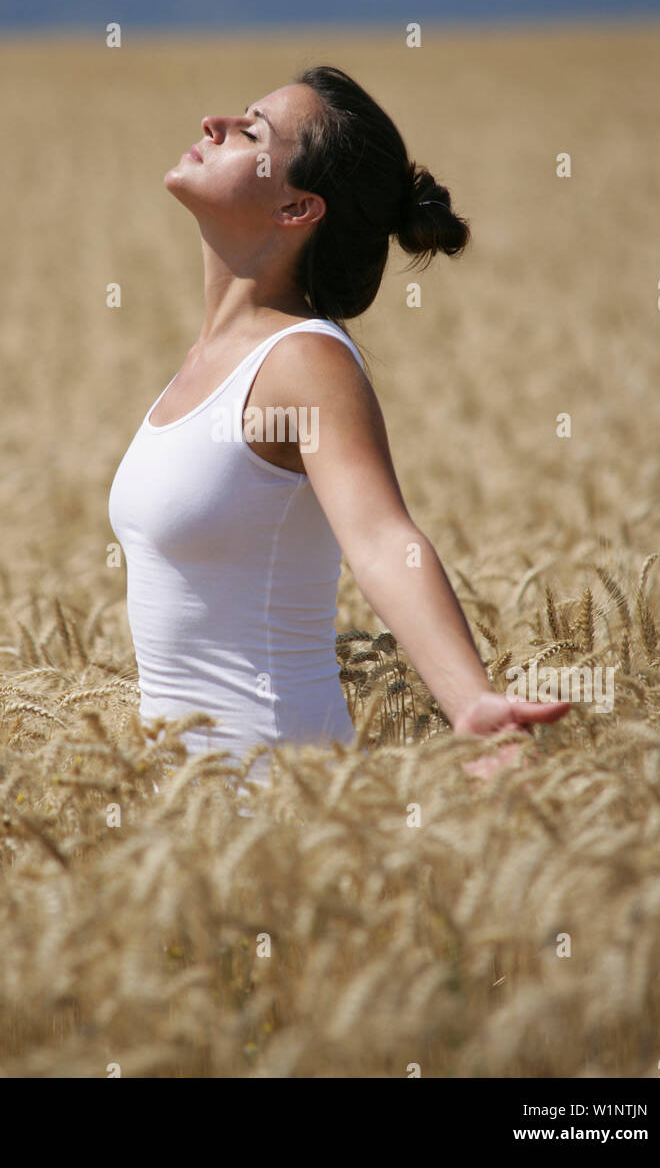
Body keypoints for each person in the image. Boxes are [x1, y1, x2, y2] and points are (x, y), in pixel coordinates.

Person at [108, 65, 569, 786]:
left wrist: (471, 703)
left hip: (280, 815)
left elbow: (383, 539)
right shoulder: (206, 360)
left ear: (298, 209)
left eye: (251, 131)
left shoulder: (303, 360)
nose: (213, 123)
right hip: (187, 837)